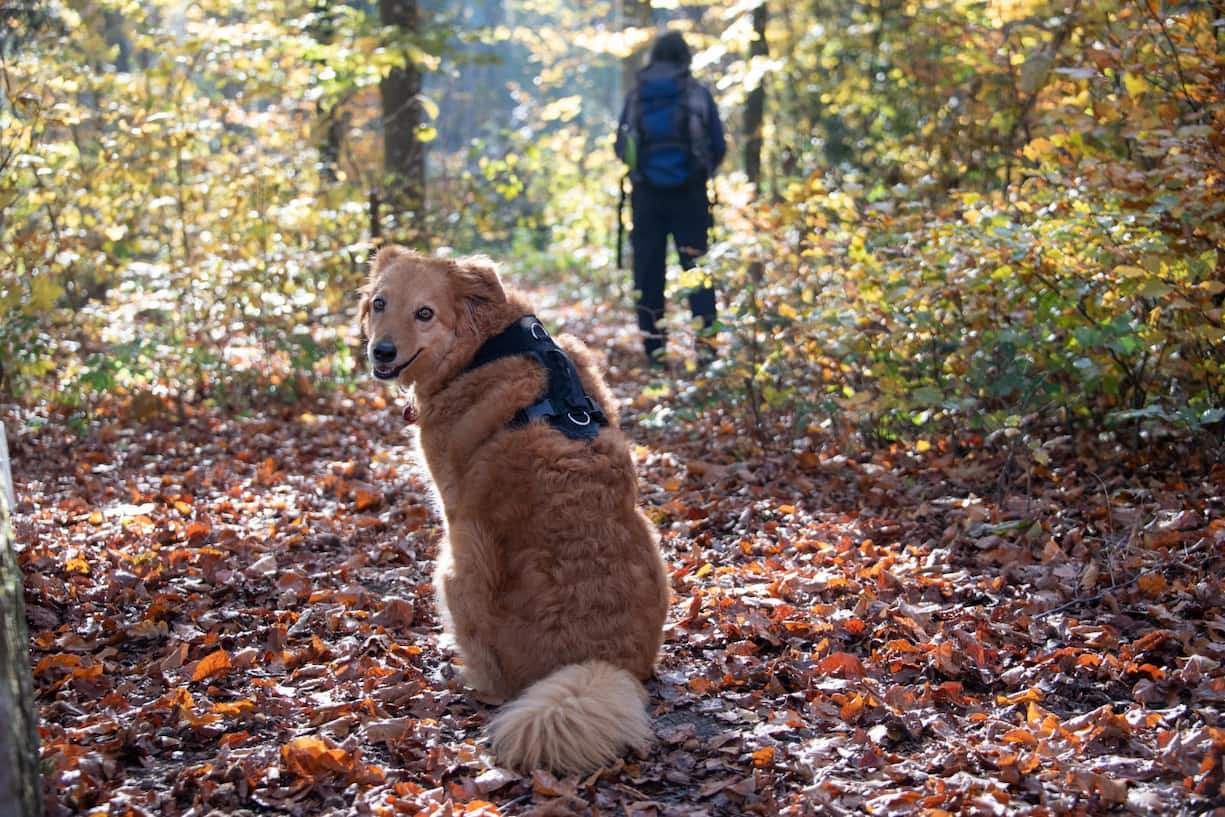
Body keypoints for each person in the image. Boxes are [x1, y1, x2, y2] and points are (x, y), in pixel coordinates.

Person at [615, 29, 726, 369]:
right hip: (690, 196)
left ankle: (655, 353)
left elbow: (621, 147)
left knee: (648, 273)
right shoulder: (696, 93)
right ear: (685, 57)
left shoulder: (638, 94)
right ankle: (706, 352)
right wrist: (699, 173)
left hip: (646, 197)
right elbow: (718, 145)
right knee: (697, 271)